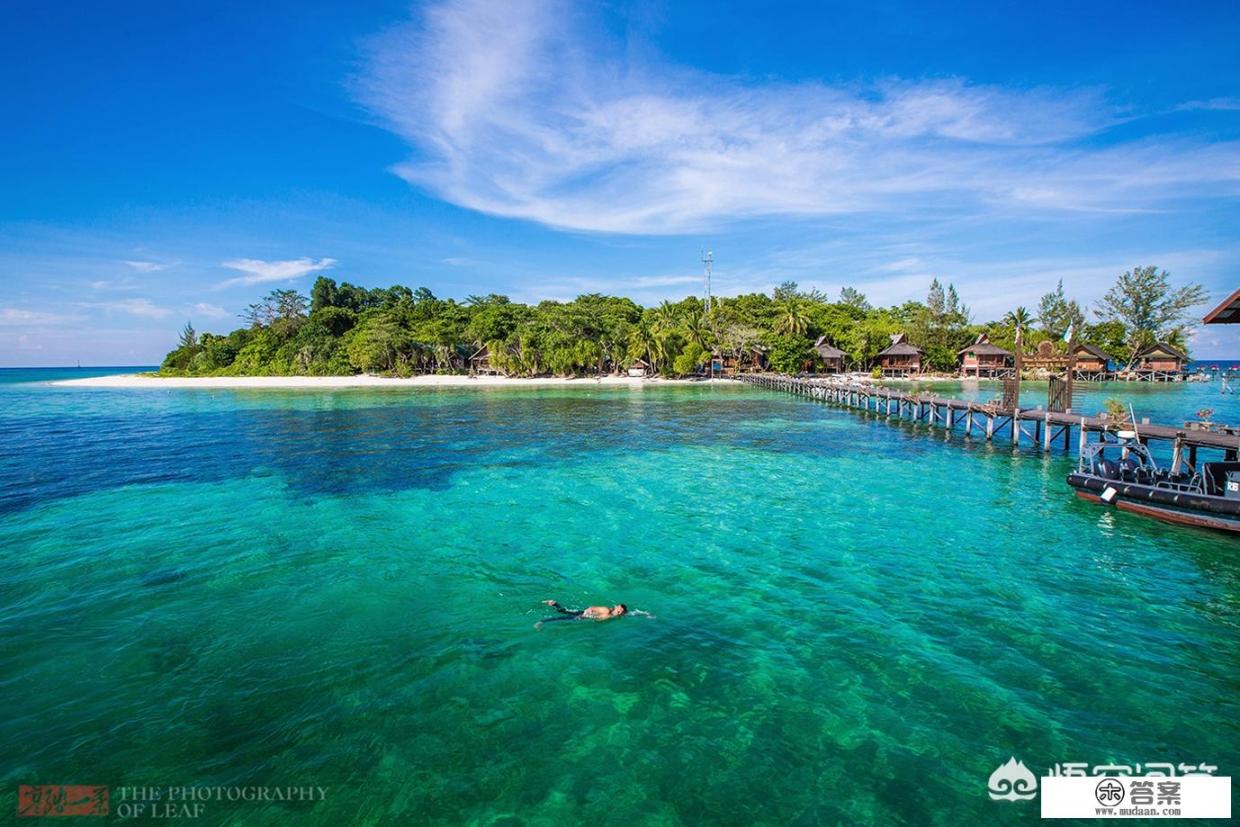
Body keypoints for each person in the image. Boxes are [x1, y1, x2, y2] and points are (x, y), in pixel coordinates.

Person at [535, 599, 627, 630]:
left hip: (584, 616)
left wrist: (641, 613)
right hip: (583, 615)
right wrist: (585, 614)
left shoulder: (613, 615)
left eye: (621, 613)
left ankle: (554, 603)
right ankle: (541, 622)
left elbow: (632, 613)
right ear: (617, 608)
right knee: (563, 618)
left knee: (564, 611)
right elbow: (591, 608)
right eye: (620, 611)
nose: (620, 613)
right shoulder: (606, 610)